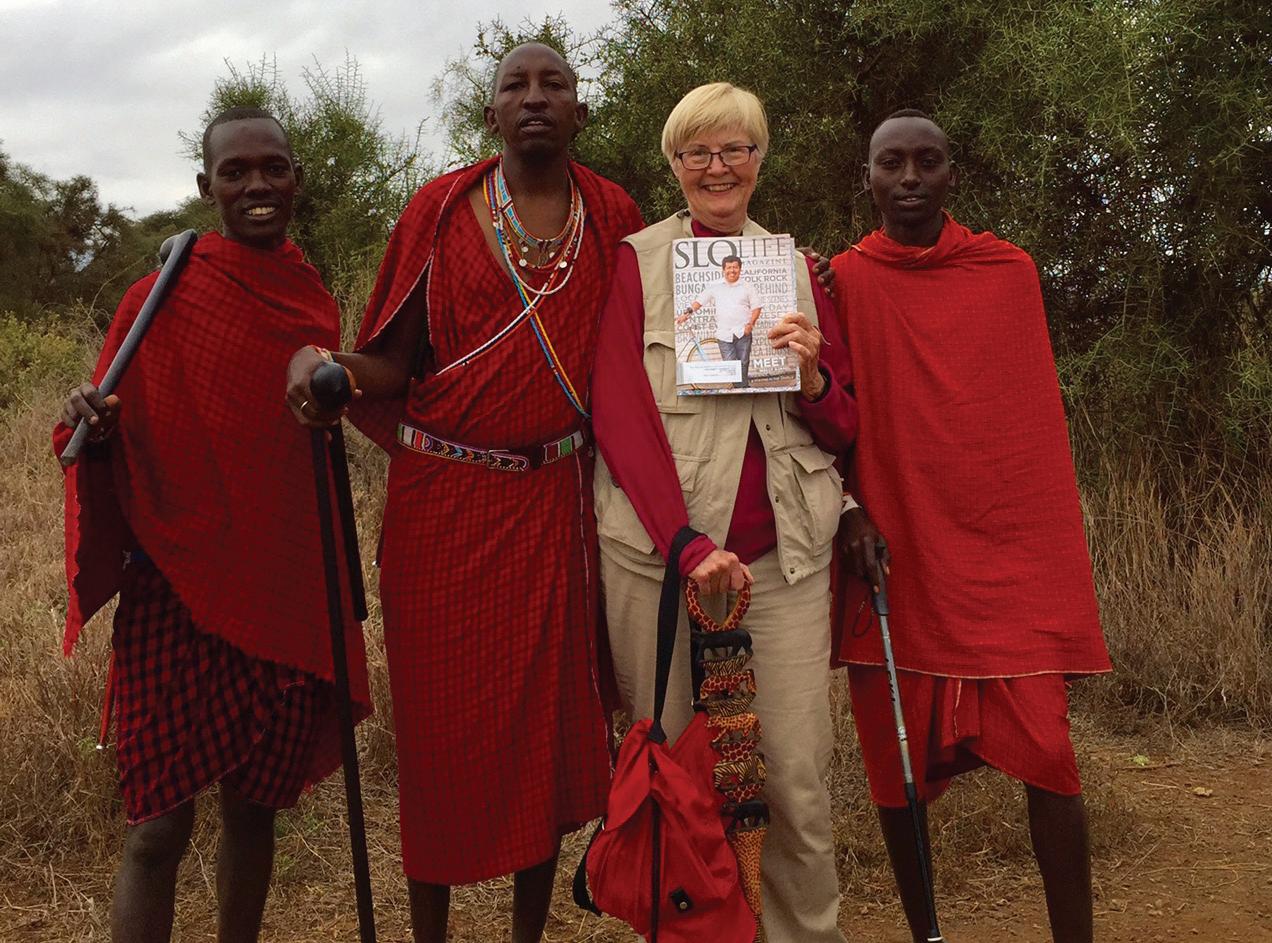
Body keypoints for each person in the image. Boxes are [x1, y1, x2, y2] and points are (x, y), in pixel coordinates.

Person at [285, 43, 644, 943]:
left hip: (557, 506)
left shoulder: (613, 215)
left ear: (580, 112)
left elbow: (656, 343)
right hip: (444, 508)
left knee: (546, 743)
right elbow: (391, 361)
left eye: (554, 84)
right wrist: (324, 365)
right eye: (515, 85)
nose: (535, 97)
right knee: (441, 745)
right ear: (489, 114)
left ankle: (526, 934)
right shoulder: (440, 211)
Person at [56, 106, 370, 943]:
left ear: (297, 178)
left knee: (254, 810)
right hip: (176, 584)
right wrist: (91, 419)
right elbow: (100, 422)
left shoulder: (310, 298)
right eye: (236, 172)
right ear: (207, 186)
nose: (257, 185)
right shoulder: (156, 296)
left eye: (273, 168)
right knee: (156, 828)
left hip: (281, 585)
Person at [830, 109, 1112, 943]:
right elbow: (827, 413)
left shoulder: (1007, 272)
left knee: (1051, 757)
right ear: (868, 178)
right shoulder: (842, 281)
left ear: (953, 174)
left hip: (1003, 554)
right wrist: (850, 509)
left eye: (927, 161)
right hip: (897, 548)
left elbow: (1026, 428)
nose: (910, 178)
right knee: (895, 764)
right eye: (892, 163)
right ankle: (928, 936)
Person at [592, 82, 859, 943]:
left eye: (735, 149)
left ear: (759, 158)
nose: (718, 167)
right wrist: (684, 541)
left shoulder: (796, 268)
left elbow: (843, 421)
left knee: (795, 780)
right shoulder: (638, 263)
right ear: (673, 163)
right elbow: (619, 414)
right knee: (675, 779)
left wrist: (812, 374)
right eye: (697, 152)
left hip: (784, 562)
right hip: (660, 564)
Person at [677, 254, 762, 385]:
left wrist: (750, 324)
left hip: (743, 333)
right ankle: (741, 389)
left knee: (743, 363)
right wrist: (686, 314)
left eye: (735, 267)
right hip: (724, 334)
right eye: (729, 267)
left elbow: (756, 307)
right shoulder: (715, 286)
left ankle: (742, 389)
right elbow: (700, 301)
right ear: (723, 270)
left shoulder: (747, 286)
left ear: (740, 269)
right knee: (730, 366)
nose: (732, 270)